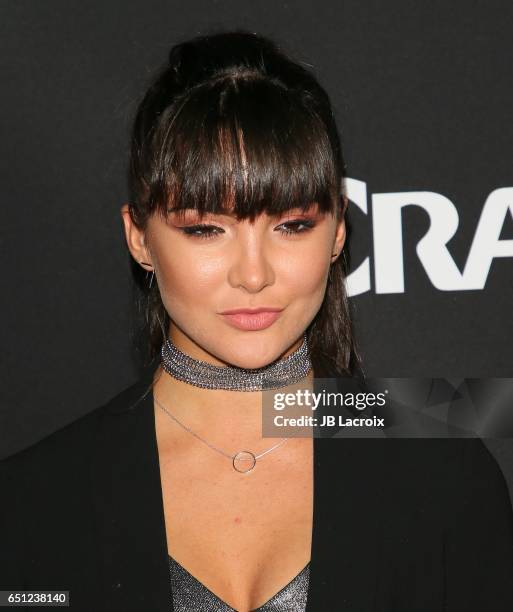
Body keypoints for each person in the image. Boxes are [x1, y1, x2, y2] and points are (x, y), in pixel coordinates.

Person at [1, 30, 513, 612]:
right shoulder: (32, 503)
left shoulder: (444, 466)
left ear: (339, 230)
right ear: (139, 237)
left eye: (292, 225)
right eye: (205, 229)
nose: (253, 274)